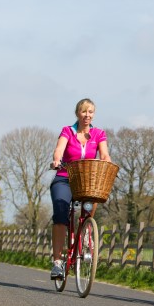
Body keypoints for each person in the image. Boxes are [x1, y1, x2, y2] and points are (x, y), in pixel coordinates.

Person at [49, 98, 111, 280]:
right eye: (84, 111)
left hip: (86, 180)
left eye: (90, 112)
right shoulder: (68, 131)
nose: (87, 115)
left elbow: (105, 153)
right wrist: (56, 160)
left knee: (94, 197)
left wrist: (106, 162)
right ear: (78, 113)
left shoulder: (99, 134)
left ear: (94, 114)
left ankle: (86, 232)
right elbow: (59, 149)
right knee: (60, 216)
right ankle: (57, 263)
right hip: (64, 178)